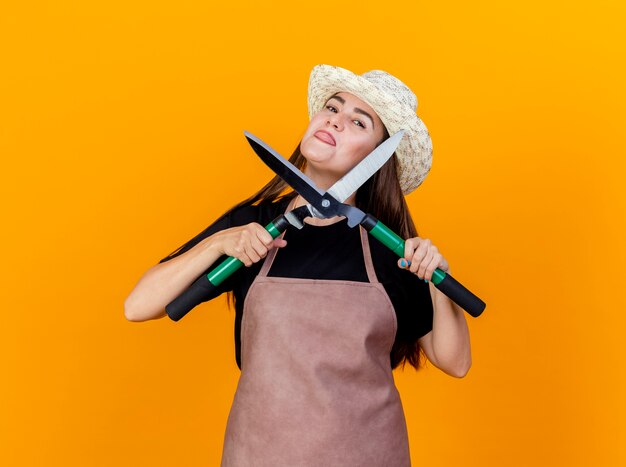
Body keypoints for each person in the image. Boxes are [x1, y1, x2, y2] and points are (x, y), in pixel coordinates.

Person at [125, 64, 472, 466]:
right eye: (332, 107)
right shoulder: (251, 230)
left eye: (358, 122)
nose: (334, 121)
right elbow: (137, 307)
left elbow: (455, 361)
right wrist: (218, 244)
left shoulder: (388, 247)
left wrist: (435, 279)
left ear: (378, 159)